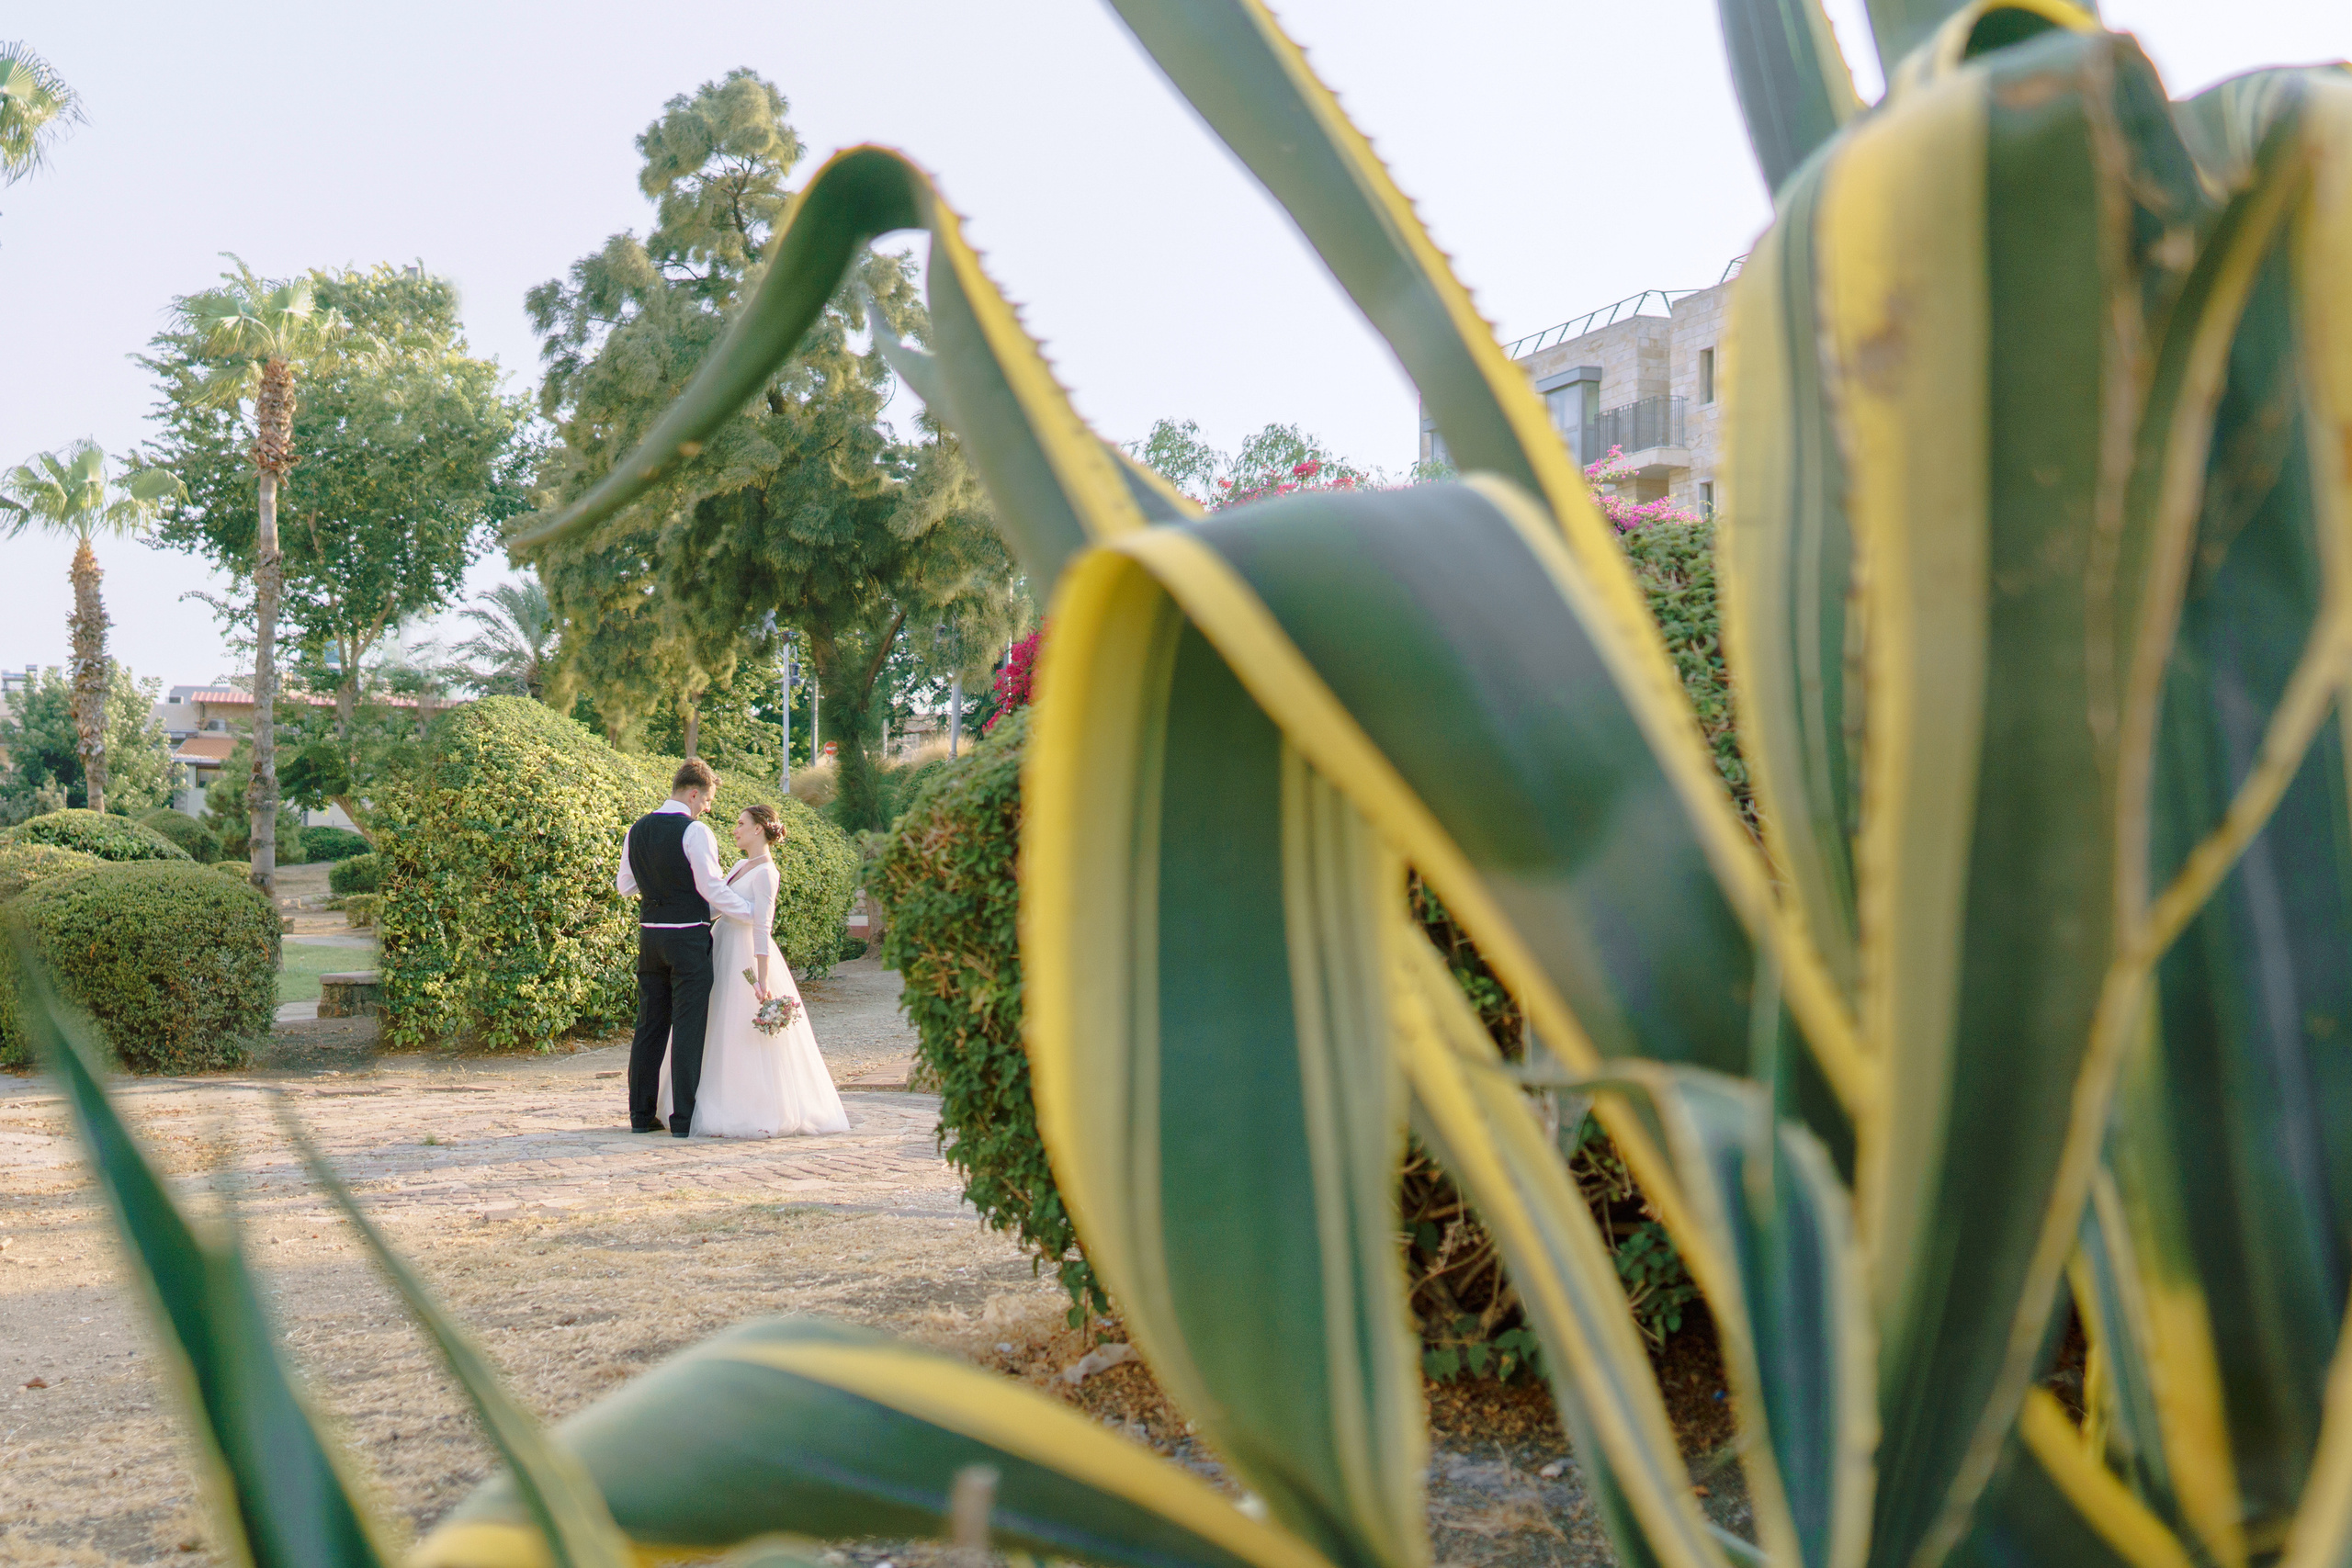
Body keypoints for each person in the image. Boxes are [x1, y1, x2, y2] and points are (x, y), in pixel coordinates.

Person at [657, 803, 849, 1137]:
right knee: (711, 1021)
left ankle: (745, 1105)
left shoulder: (767, 873)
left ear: (758, 828)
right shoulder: (739, 865)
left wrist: (762, 980)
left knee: (737, 1026)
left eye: (740, 823)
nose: (735, 829)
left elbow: (763, 927)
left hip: (745, 954)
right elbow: (717, 905)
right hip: (719, 945)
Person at [616, 759, 754, 1137]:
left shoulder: (637, 829)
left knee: (649, 1026)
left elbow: (624, 886)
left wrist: (657, 882)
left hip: (650, 937)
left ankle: (640, 1117)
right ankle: (683, 1120)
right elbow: (711, 888)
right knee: (689, 1029)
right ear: (694, 793)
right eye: (707, 799)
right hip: (689, 938)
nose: (707, 807)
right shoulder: (695, 832)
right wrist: (751, 912)